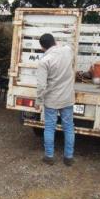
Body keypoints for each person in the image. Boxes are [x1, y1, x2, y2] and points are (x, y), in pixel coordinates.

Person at [35, 33, 75, 166]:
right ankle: (68, 157)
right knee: (68, 127)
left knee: (50, 127)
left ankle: (49, 156)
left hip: (52, 99)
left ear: (42, 47)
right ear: (55, 41)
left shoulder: (44, 61)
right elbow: (70, 45)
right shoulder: (67, 51)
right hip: (67, 98)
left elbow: (41, 85)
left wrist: (38, 101)